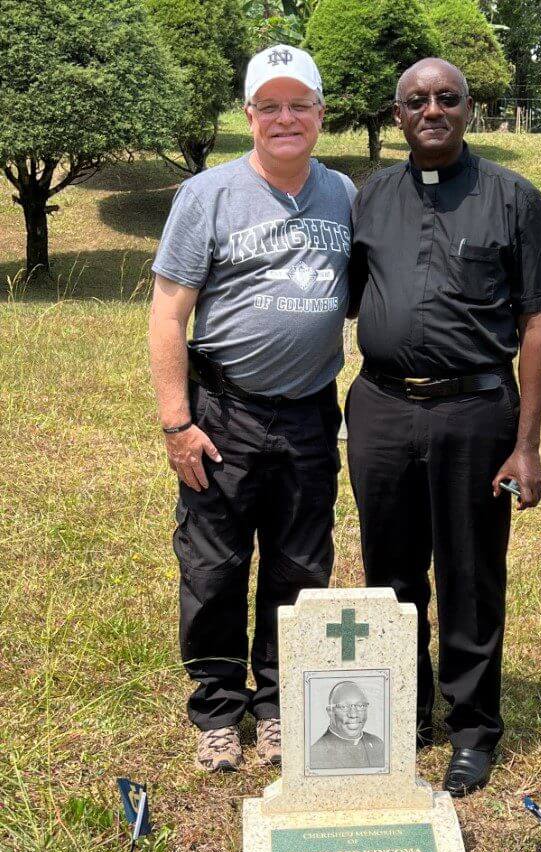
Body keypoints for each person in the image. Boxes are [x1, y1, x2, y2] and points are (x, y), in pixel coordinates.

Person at [346, 58, 541, 796]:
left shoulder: (513, 197)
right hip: (380, 408)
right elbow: (347, 300)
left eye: (447, 98)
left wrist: (526, 443)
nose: (432, 110)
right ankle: (405, 711)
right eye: (417, 100)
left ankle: (472, 730)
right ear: (396, 112)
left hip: (476, 411)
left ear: (470, 108)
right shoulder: (369, 196)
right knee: (389, 568)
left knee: (471, 573)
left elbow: (535, 321)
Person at [149, 45, 356, 773]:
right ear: (248, 116)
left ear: (320, 114)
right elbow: (169, 315)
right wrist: (178, 423)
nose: (284, 118)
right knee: (212, 564)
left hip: (307, 413)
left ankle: (276, 705)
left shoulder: (344, 196)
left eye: (298, 104)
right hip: (222, 411)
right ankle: (215, 707)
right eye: (268, 105)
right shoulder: (206, 195)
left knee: (300, 565)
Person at [310, 681, 385, 769]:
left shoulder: (377, 744)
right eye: (344, 707)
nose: (353, 715)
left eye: (360, 706)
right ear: (330, 712)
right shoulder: (316, 753)